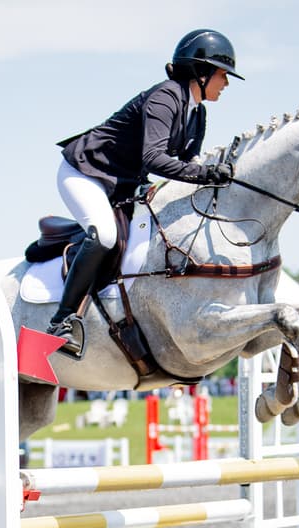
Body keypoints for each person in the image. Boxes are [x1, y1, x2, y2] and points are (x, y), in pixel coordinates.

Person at [47, 28, 243, 351]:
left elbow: (188, 165)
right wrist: (207, 173)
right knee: (105, 236)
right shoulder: (165, 98)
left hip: (121, 184)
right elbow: (154, 158)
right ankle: (62, 321)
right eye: (223, 75)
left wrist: (214, 176)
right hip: (85, 173)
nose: (227, 83)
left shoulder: (198, 114)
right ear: (202, 72)